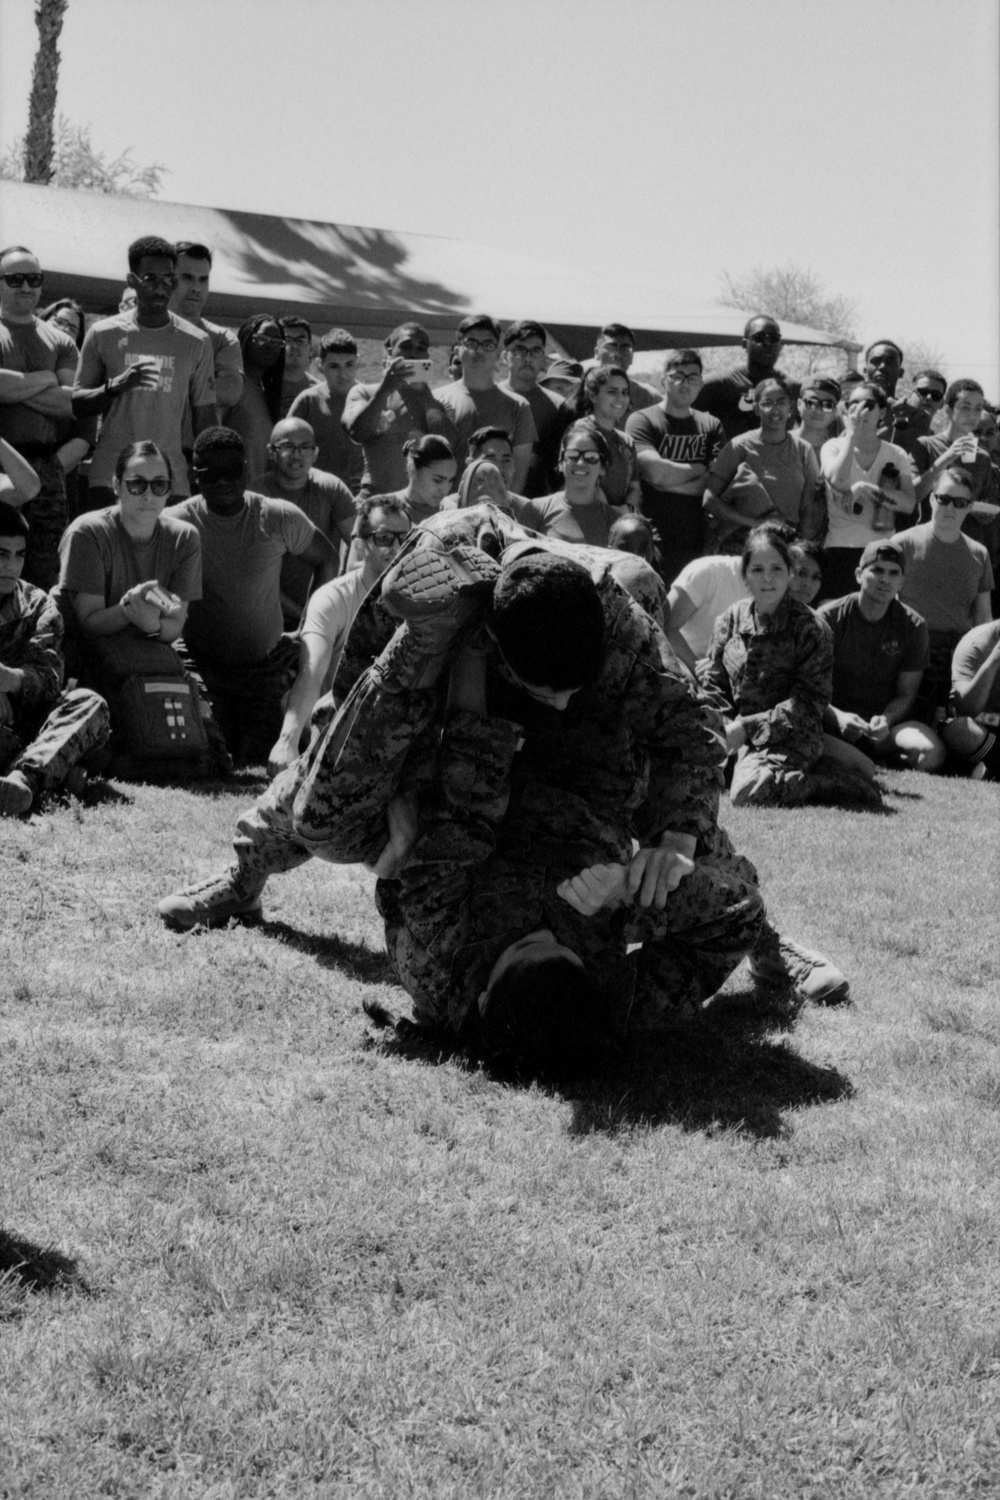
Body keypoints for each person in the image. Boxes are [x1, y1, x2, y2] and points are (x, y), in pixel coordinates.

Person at [159, 517, 850, 1054]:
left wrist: (675, 839)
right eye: (542, 689)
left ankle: (768, 944)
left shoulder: (619, 609)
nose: (552, 701)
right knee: (326, 810)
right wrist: (395, 788)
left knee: (673, 836)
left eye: (567, 687)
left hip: (582, 761)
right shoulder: (427, 576)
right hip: (444, 719)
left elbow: (685, 728)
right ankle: (244, 874)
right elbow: (358, 697)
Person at [171, 426, 338, 764]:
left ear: (246, 470)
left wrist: (305, 632)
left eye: (231, 472)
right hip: (200, 664)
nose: (222, 482)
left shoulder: (276, 516)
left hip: (263, 668)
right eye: (211, 474)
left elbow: (327, 559)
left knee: (258, 753)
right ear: (194, 476)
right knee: (209, 752)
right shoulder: (176, 523)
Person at [55, 440, 217, 768]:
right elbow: (89, 622)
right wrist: (131, 609)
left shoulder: (185, 538)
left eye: (159, 485)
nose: (148, 495)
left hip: (150, 646)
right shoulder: (88, 532)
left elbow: (173, 629)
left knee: (210, 750)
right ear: (116, 485)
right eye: (136, 483)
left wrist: (150, 622)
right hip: (86, 648)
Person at [697, 526, 875, 807]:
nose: (767, 578)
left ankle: (831, 783)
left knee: (749, 793)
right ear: (745, 577)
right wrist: (722, 728)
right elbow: (714, 684)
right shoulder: (729, 619)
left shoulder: (811, 628)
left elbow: (809, 703)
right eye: (757, 569)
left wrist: (747, 729)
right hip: (734, 734)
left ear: (789, 574)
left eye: (776, 569)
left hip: (789, 737)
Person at [267, 495, 411, 776]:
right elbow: (311, 674)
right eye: (384, 538)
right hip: (336, 726)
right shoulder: (333, 599)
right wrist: (288, 740)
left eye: (405, 538)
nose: (396, 548)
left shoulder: (423, 598)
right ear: (362, 541)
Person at [72, 236, 216, 510]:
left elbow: (205, 418)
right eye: (150, 279)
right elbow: (79, 405)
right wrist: (115, 386)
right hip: (110, 476)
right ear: (131, 280)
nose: (161, 289)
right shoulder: (103, 334)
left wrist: (209, 469)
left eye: (169, 280)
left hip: (169, 477)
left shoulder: (196, 341)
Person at [0, 500, 109, 815]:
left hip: (30, 722)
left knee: (89, 703)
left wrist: (10, 680)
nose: (11, 565)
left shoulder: (38, 606)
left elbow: (49, 680)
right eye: (1, 554)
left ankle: (23, 780)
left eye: (19, 555)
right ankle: (56, 775)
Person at [817, 538, 944, 774]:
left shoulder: (914, 625)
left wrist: (885, 720)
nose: (885, 579)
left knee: (931, 754)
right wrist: (839, 718)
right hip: (830, 721)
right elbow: (810, 686)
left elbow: (907, 694)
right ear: (858, 575)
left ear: (902, 581)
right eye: (877, 570)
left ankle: (873, 757)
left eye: (894, 573)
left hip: (882, 728)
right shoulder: (828, 618)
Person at [0, 244, 81, 587]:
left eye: (34, 278)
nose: (26, 286)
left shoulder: (62, 341)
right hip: (2, 464)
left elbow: (71, 405)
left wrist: (14, 389)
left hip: (47, 468)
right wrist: (46, 379)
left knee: (46, 572)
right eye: (15, 278)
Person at [896, 466, 994, 722]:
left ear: (969, 507)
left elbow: (984, 620)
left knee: (954, 727)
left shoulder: (979, 554)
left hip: (958, 655)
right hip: (912, 650)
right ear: (931, 498)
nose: (951, 508)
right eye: (944, 499)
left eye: (960, 502)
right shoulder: (901, 543)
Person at [627, 349, 726, 584]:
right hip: (653, 533)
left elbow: (716, 482)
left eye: (693, 378)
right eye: (678, 376)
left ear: (700, 384)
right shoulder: (643, 420)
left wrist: (668, 482)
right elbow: (655, 472)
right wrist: (699, 468)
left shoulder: (711, 425)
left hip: (699, 534)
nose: (685, 384)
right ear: (664, 381)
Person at [249, 416, 356, 626]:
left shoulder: (330, 488)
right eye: (288, 446)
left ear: (315, 453)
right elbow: (249, 570)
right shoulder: (256, 494)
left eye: (305, 447)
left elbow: (359, 544)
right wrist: (300, 615)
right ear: (271, 452)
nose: (297, 455)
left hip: (324, 609)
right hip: (267, 610)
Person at [819, 380, 917, 598]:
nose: (860, 409)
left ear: (882, 412)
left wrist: (865, 488)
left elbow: (908, 503)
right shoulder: (833, 447)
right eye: (853, 403)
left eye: (868, 404)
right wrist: (851, 434)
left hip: (882, 553)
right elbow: (839, 480)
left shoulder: (896, 454)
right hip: (840, 549)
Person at [703, 378, 823, 551]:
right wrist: (756, 524)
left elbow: (807, 507)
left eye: (781, 402)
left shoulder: (803, 450)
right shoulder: (738, 447)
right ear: (756, 409)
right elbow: (710, 499)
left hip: (785, 543)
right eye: (767, 403)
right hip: (740, 543)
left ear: (790, 407)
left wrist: (802, 548)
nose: (775, 409)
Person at [343, 322, 456, 497]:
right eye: (406, 346)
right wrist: (385, 389)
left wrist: (424, 394)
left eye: (421, 349)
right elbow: (356, 431)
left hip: (419, 508)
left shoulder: (436, 404)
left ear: (427, 355)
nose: (413, 353)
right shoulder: (365, 393)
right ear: (390, 352)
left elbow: (450, 448)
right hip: (375, 501)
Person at [433, 315, 536, 490]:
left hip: (496, 510)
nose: (479, 351)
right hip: (444, 510)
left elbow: (518, 475)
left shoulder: (519, 407)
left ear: (497, 353)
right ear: (458, 350)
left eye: (488, 344)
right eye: (471, 343)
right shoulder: (436, 400)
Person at [909, 380, 999, 574]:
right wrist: (947, 457)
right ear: (949, 411)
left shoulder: (983, 458)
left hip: (968, 554)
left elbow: (988, 505)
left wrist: (984, 510)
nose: (973, 415)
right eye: (965, 407)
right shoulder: (926, 445)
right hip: (930, 549)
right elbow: (913, 494)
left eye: (978, 409)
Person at [167, 240, 244, 417]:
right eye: (187, 278)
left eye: (203, 279)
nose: (196, 288)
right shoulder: (146, 329)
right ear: (169, 279)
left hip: (196, 443)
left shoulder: (222, 339)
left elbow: (230, 392)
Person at [694, 316, 798, 441]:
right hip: (731, 459)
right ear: (745, 344)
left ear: (780, 345)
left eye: (774, 338)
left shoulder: (793, 388)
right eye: (759, 338)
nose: (767, 343)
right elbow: (676, 414)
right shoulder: (721, 384)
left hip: (778, 460)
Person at [516, 423, 622, 546]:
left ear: (603, 467)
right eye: (572, 456)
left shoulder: (615, 522)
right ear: (561, 464)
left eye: (591, 457)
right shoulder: (536, 510)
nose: (581, 462)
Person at [499, 319, 568, 498]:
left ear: (543, 357)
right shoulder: (489, 398)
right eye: (520, 350)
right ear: (505, 356)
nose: (528, 357)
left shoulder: (559, 406)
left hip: (540, 503)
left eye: (535, 351)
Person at [288, 328, 363, 490]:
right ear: (320, 365)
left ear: (358, 361)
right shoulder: (308, 401)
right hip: (318, 493)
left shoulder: (371, 398)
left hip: (363, 494)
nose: (343, 375)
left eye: (349, 365)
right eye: (334, 366)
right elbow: (285, 448)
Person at [567, 366, 641, 509]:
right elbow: (584, 482)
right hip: (587, 518)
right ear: (593, 395)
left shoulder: (627, 441)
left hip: (621, 520)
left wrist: (627, 511)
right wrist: (613, 515)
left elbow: (634, 488)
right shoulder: (579, 433)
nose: (620, 398)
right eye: (612, 391)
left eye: (624, 392)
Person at [223, 314, 285, 480]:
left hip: (260, 497)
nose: (271, 346)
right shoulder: (232, 383)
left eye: (278, 342)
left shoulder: (270, 395)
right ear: (247, 337)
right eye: (263, 338)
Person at [941, 619, 1000, 779]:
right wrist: (994, 660)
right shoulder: (975, 643)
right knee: (960, 729)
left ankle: (991, 768)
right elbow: (965, 709)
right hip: (982, 730)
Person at [365, 433, 458, 528]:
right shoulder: (381, 508)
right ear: (412, 469)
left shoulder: (454, 512)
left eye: (450, 480)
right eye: (437, 480)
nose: (445, 490)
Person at [862, 339, 930, 456]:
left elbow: (912, 462)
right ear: (865, 370)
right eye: (876, 361)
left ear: (901, 372)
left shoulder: (916, 417)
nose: (882, 367)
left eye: (890, 362)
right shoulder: (844, 409)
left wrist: (901, 423)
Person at [583, 323, 660, 422]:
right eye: (611, 347)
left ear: (632, 357)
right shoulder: (579, 391)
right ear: (597, 353)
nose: (618, 354)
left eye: (625, 348)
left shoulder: (649, 397)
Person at [796, 374, 841, 457]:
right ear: (799, 404)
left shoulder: (837, 452)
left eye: (828, 405)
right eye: (811, 403)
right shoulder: (778, 442)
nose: (818, 411)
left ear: (835, 412)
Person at [278, 317, 313, 416]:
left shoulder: (319, 391)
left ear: (310, 348)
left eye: (300, 341)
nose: (294, 346)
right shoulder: (264, 387)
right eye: (287, 340)